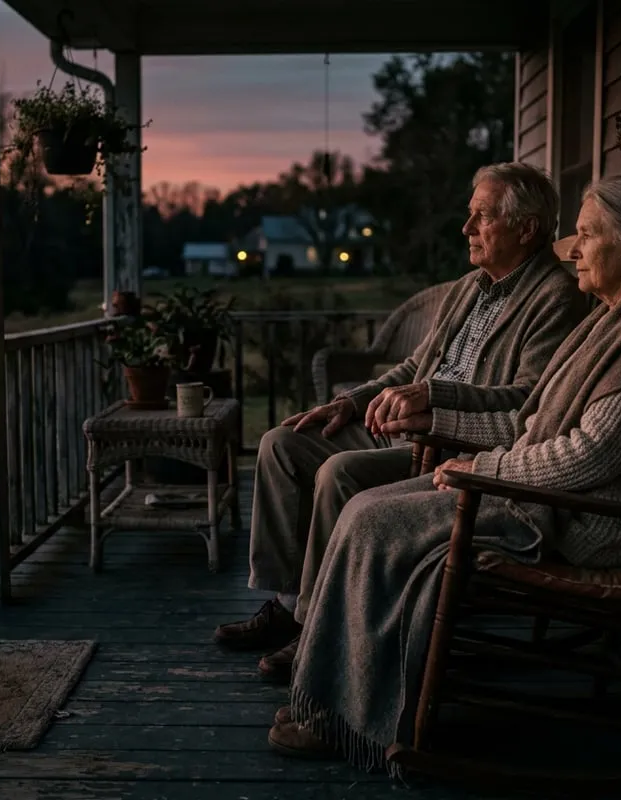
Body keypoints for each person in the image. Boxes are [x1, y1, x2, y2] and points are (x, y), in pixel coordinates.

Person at [268, 174, 621, 769]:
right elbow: (529, 423)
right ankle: (325, 686)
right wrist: (458, 443)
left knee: (373, 521)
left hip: (583, 519)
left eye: (587, 235)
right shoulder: (613, 318)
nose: (573, 248)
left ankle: (342, 714)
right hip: (541, 491)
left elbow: (590, 454)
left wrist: (486, 467)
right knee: (361, 507)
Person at [212, 163, 590, 683]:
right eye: (469, 215)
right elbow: (415, 366)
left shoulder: (555, 298)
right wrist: (351, 401)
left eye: (481, 217)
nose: (467, 229)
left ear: (525, 228)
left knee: (339, 473)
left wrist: (434, 395)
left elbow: (527, 401)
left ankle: (315, 628)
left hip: (448, 439)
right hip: (401, 419)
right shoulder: (468, 287)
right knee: (282, 442)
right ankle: (287, 603)